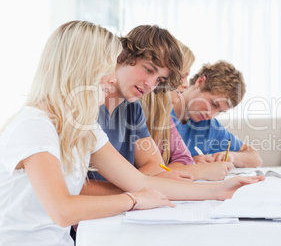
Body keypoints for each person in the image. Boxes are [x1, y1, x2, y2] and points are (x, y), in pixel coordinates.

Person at [0, 21, 264, 246]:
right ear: (79, 68)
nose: (112, 78)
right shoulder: (34, 125)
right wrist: (132, 199)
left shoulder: (84, 127)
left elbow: (141, 181)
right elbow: (62, 211)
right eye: (106, 68)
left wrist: (220, 190)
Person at [88, 25, 193, 182]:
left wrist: (134, 184)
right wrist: (135, 186)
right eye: (149, 70)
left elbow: (155, 164)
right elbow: (75, 187)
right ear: (124, 55)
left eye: (159, 80)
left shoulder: (133, 108)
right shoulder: (87, 103)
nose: (151, 84)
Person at [140, 41, 233, 181]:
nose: (185, 84)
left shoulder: (164, 116)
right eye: (182, 76)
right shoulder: (136, 110)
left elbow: (183, 159)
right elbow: (142, 173)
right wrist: (199, 171)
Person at [172, 60, 263, 168]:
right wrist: (189, 163)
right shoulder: (160, 113)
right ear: (200, 82)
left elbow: (256, 159)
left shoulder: (208, 126)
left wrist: (232, 156)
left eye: (220, 111)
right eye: (213, 104)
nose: (211, 116)